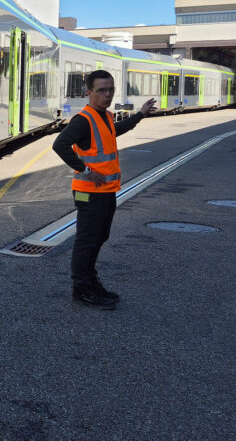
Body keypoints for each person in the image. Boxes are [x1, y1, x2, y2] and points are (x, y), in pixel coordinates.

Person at [52, 69, 156, 309]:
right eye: (101, 90)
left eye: (110, 90)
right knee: (87, 241)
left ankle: (90, 281)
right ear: (89, 92)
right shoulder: (83, 119)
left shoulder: (106, 117)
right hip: (89, 192)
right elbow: (60, 145)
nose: (107, 95)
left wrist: (140, 114)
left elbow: (116, 130)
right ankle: (82, 288)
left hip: (106, 190)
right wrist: (85, 169)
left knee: (99, 237)